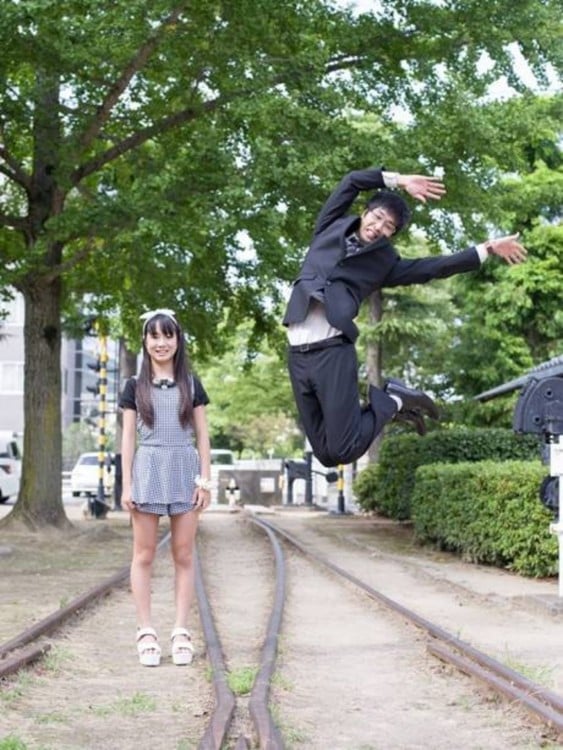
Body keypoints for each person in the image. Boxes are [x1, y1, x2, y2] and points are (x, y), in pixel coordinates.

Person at [283, 166, 527, 467]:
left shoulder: (384, 263)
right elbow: (351, 181)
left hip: (332, 352)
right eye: (377, 217)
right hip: (296, 353)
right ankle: (395, 401)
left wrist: (486, 248)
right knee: (326, 454)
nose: (378, 226)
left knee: (344, 449)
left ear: (392, 235)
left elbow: (433, 268)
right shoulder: (330, 225)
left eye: (388, 226)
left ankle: (393, 400)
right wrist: (400, 180)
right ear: (365, 211)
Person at [119, 309, 211, 667]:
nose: (161, 343)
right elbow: (128, 438)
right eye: (155, 336)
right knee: (143, 555)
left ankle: (180, 630)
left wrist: (204, 480)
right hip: (149, 469)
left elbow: (203, 435)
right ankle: (145, 631)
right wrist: (126, 484)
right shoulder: (133, 386)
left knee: (184, 554)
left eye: (168, 336)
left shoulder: (191, 384)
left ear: (177, 340)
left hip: (185, 471)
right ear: (145, 341)